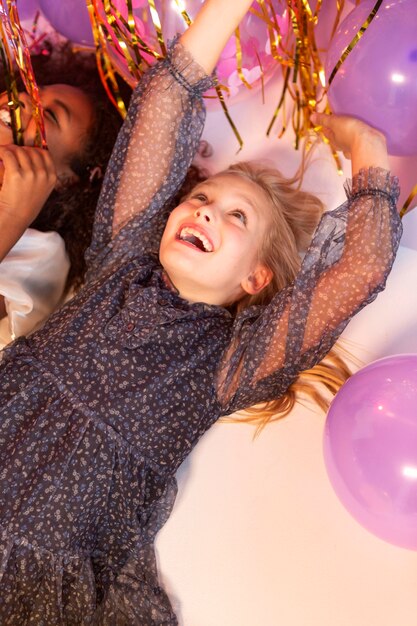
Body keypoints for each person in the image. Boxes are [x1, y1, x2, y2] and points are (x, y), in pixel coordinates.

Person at [0, 0, 401, 622]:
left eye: (237, 217)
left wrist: (368, 152)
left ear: (255, 277)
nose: (205, 210)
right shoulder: (120, 261)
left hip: (38, 566)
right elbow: (166, 100)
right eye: (202, 197)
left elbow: (361, 270)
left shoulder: (230, 363)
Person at [0, 42, 132, 347]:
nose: (21, 101)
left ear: (66, 180)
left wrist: (12, 215)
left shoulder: (38, 256)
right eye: (31, 89)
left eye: (50, 116)